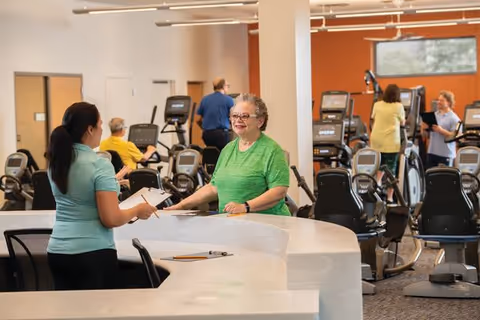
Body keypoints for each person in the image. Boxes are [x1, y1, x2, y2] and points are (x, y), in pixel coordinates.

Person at [46, 102, 157, 291]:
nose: (101, 129)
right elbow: (110, 218)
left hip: (57, 252)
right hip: (91, 253)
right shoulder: (99, 165)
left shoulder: (57, 163)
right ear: (90, 129)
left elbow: (80, 191)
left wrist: (111, 181)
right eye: (99, 125)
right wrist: (139, 209)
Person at [168, 93, 290, 215]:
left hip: (267, 225)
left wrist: (246, 207)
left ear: (260, 121)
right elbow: (214, 187)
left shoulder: (272, 150)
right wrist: (181, 206)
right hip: (232, 224)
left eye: (244, 116)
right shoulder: (228, 149)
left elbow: (279, 191)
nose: (238, 120)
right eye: (234, 115)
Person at [370, 84, 406, 203]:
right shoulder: (399, 106)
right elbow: (402, 123)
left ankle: (378, 182)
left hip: (376, 139)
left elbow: (373, 119)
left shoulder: (377, 104)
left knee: (379, 163)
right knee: (391, 168)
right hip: (391, 141)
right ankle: (390, 198)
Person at [422, 90, 461, 169]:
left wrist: (441, 131)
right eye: (438, 100)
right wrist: (423, 128)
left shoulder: (454, 118)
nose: (438, 102)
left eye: (442, 100)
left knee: (444, 180)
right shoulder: (434, 115)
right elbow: (425, 135)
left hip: (446, 155)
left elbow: (457, 136)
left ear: (449, 103)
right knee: (430, 179)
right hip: (432, 153)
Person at [197, 77, 235, 151]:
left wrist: (207, 128)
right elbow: (233, 117)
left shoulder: (205, 99)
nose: (228, 88)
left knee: (212, 154)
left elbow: (198, 119)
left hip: (207, 135)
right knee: (224, 155)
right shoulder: (228, 99)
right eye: (228, 86)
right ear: (223, 86)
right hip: (222, 135)